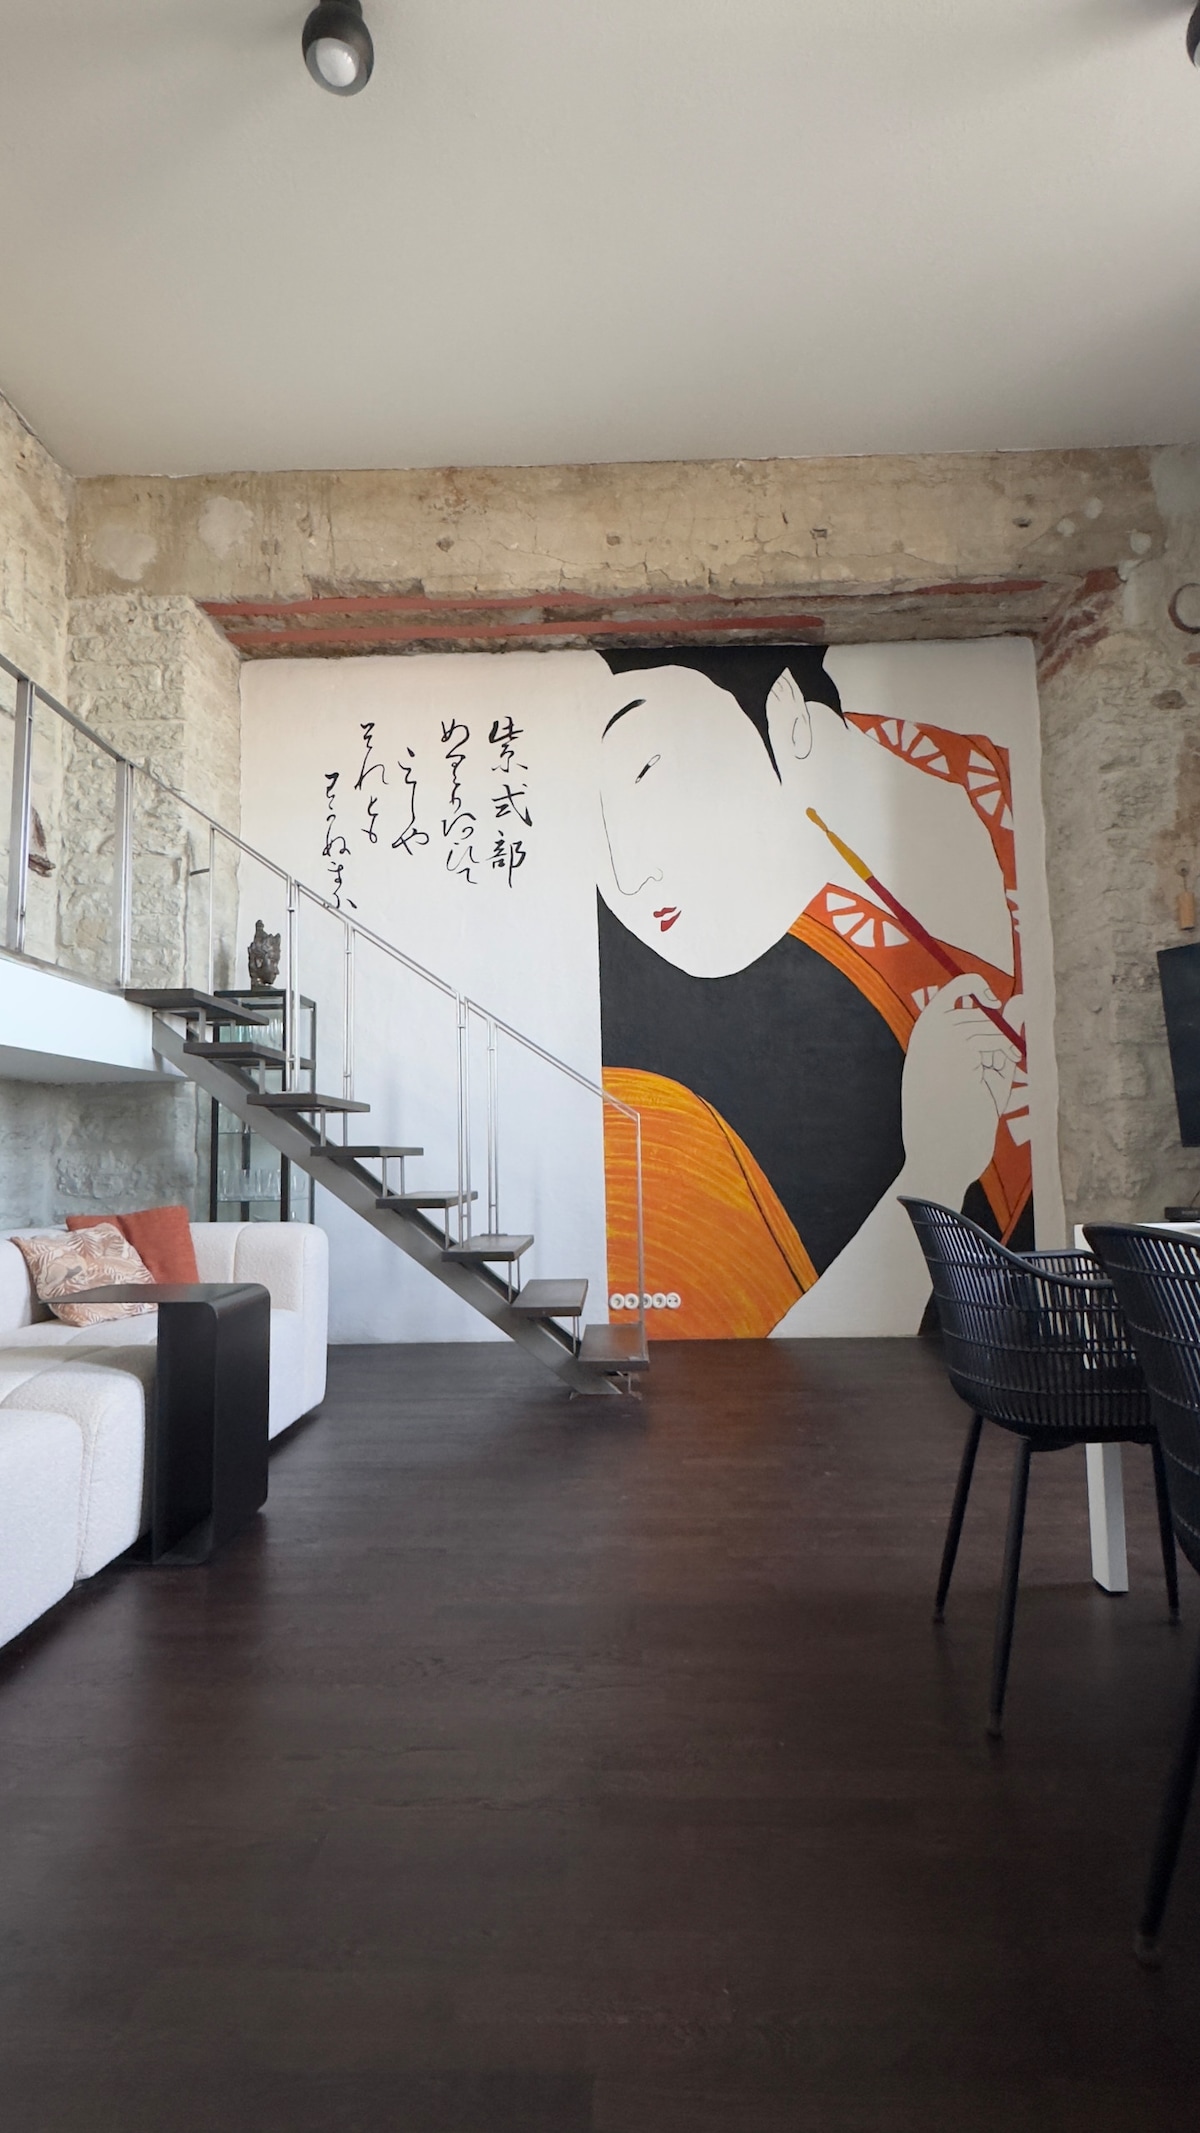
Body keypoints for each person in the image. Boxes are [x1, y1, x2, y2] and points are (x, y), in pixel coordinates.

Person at [595, 644, 1030, 1338]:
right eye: (588, 822)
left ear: (787, 716)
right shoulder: (672, 1083)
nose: (626, 871)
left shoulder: (1003, 808)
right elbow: (766, 1356)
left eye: (648, 773)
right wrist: (934, 1170)